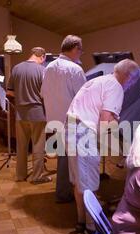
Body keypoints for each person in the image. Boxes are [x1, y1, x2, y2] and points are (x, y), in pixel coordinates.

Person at [66, 59, 140, 234]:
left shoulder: (97, 80)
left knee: (79, 181)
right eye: (134, 80)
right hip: (84, 132)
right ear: (128, 76)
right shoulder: (115, 87)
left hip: (69, 128)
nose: (132, 84)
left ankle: (81, 221)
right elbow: (106, 121)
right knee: (89, 182)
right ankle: (92, 228)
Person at [41, 35, 86, 203]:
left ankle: (63, 191)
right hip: (71, 121)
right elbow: (83, 97)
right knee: (70, 161)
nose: (80, 53)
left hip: (54, 119)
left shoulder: (49, 67)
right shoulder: (75, 69)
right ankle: (65, 194)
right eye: (80, 50)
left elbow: (43, 93)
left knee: (62, 157)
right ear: (74, 48)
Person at [7, 47, 51, 184]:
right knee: (38, 145)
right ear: (42, 57)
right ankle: (37, 177)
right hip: (37, 113)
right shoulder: (43, 70)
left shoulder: (16, 68)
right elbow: (46, 94)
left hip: (20, 114)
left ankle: (20, 175)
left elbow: (9, 92)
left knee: (21, 146)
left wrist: (21, 97)